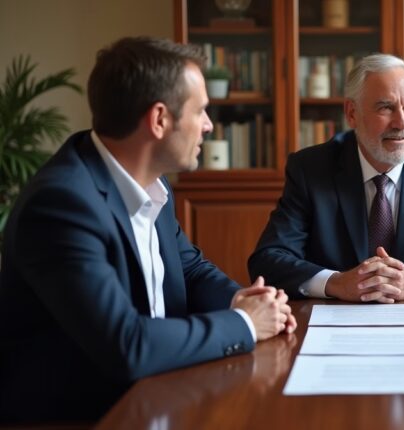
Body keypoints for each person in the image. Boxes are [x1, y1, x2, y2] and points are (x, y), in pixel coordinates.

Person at [0, 37, 297, 423]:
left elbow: (189, 269)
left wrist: (249, 300)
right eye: (202, 111)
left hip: (157, 390)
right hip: (87, 414)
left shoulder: (151, 184)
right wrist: (244, 322)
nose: (209, 126)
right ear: (159, 120)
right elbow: (128, 345)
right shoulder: (61, 206)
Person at [248, 54, 404, 303]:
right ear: (352, 113)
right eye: (386, 107)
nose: (401, 123)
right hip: (335, 319)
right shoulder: (311, 169)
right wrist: (337, 283)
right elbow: (268, 260)